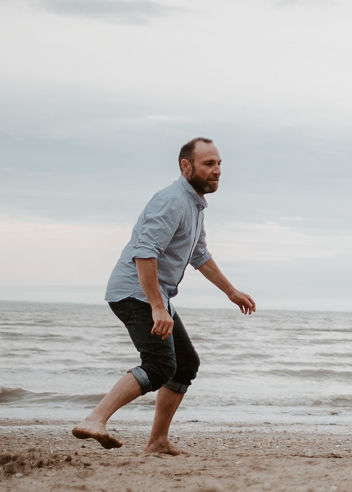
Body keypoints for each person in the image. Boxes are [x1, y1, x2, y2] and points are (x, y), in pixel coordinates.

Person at [72, 138, 256, 455]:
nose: (217, 171)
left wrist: (231, 291)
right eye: (208, 164)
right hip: (135, 292)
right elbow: (144, 254)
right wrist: (158, 307)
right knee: (159, 365)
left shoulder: (194, 205)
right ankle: (95, 419)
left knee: (185, 364)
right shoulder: (172, 201)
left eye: (219, 164)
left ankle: (157, 441)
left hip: (154, 296)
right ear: (186, 166)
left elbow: (199, 255)